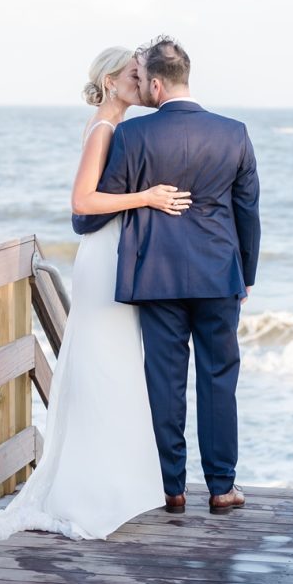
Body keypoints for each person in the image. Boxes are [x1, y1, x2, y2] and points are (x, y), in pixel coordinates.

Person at [0, 47, 191, 541]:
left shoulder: (121, 128)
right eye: (136, 76)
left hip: (117, 251)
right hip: (101, 257)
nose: (144, 84)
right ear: (112, 81)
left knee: (116, 365)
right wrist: (149, 196)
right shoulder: (103, 128)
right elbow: (82, 202)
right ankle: (89, 491)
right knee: (101, 362)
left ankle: (117, 483)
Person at [73, 36, 261, 515]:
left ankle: (171, 488)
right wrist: (246, 276)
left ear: (155, 82)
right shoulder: (234, 132)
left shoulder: (133, 136)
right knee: (219, 378)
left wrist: (141, 201)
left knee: (165, 380)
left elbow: (90, 215)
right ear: (186, 76)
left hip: (155, 277)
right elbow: (248, 213)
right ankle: (222, 487)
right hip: (219, 276)